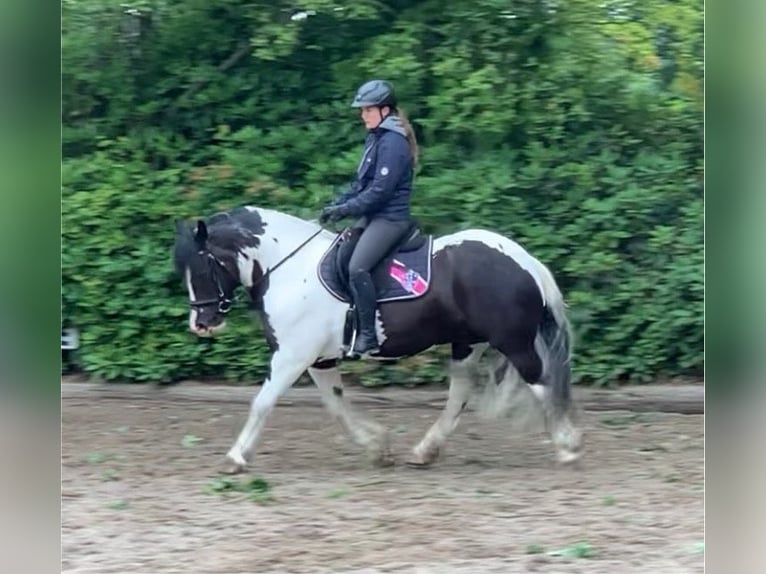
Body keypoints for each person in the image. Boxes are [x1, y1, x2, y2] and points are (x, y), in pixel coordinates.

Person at [319, 79, 419, 355]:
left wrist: (346, 210)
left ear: (385, 110)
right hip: (373, 218)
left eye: (368, 110)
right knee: (339, 257)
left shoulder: (393, 143)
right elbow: (361, 186)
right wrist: (337, 204)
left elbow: (379, 193)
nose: (363, 115)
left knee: (357, 268)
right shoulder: (376, 139)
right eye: (362, 110)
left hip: (390, 220)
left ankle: (368, 337)